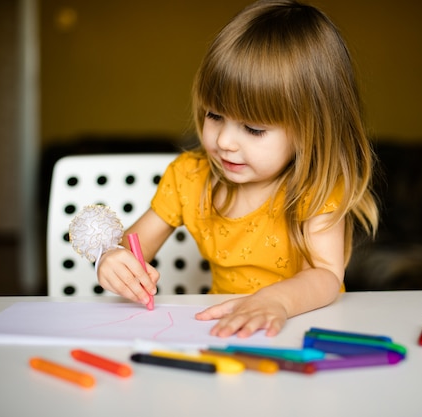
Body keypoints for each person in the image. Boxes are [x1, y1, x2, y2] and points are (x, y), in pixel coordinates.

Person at [97, 0, 378, 338]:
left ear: (310, 131)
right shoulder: (189, 177)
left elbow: (325, 276)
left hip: (302, 331)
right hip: (225, 333)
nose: (225, 141)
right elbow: (133, 248)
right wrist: (111, 260)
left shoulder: (314, 189)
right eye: (215, 115)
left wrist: (276, 301)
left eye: (254, 129)